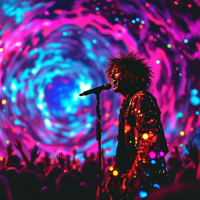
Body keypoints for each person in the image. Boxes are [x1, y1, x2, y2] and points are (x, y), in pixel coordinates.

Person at [104, 51, 169, 200]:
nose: (112, 77)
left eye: (116, 72)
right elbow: (123, 150)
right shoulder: (127, 105)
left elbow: (149, 140)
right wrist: (114, 175)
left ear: (128, 75)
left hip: (148, 185)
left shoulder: (141, 98)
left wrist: (132, 178)